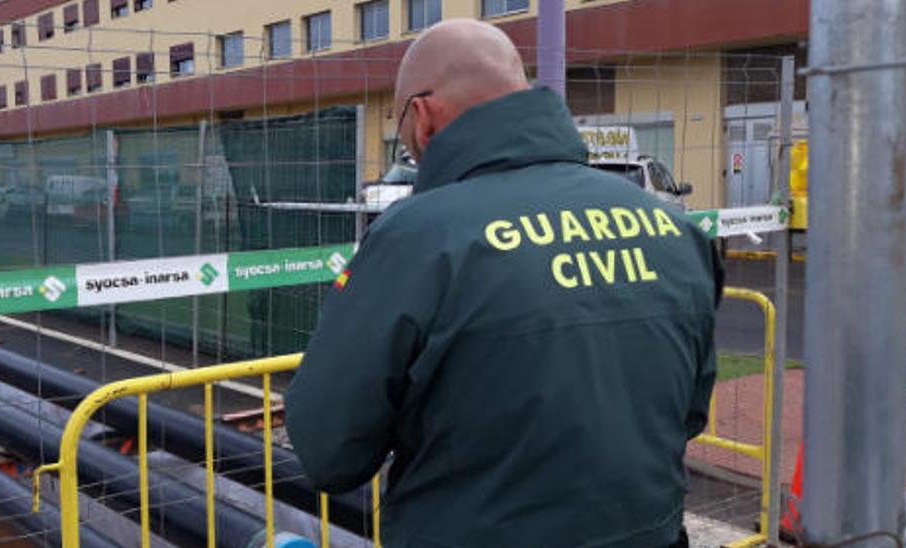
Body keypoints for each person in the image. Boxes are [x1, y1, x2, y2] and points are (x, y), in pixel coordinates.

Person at [285, 19, 723, 547]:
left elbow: (328, 450)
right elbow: (688, 412)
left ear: (422, 117)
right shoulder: (672, 228)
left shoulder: (417, 238)